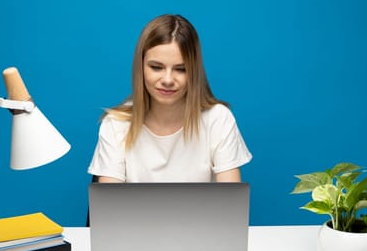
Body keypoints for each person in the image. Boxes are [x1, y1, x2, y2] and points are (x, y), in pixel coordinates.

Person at [88, 14, 252, 183]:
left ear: (193, 72)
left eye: (181, 69)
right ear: (141, 67)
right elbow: (111, 207)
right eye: (156, 67)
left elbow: (229, 205)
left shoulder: (218, 119)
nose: (167, 80)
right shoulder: (116, 124)